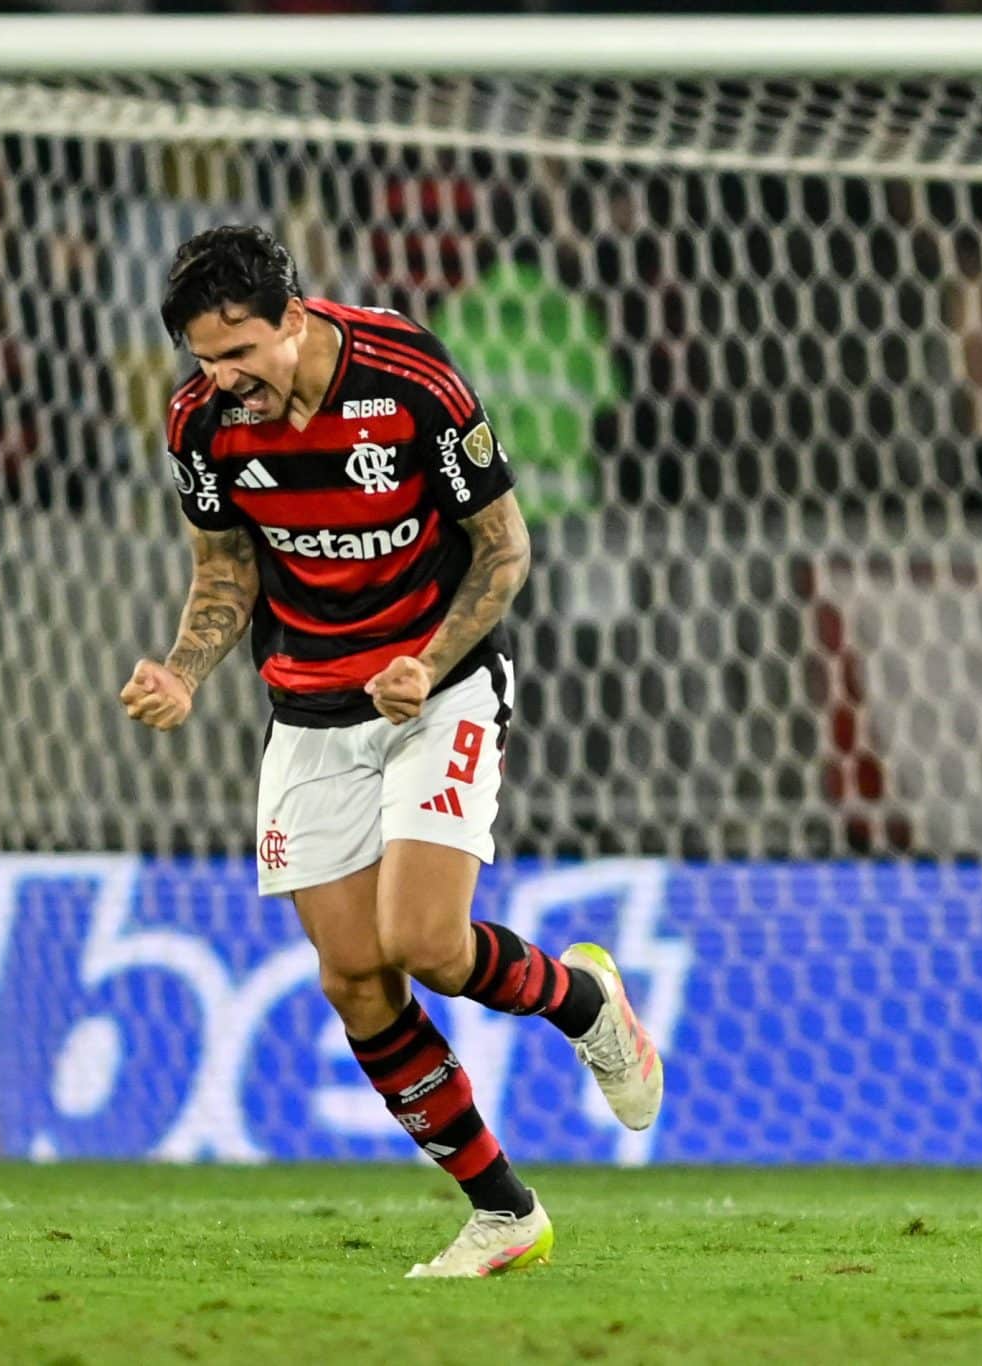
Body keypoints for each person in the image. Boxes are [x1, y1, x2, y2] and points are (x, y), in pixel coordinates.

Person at [119, 226, 663, 1278]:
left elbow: (504, 548)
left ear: (292, 316)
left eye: (239, 353)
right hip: (308, 707)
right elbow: (224, 569)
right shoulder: (200, 422)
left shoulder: (408, 376)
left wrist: (427, 660)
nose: (222, 379)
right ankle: (504, 1215)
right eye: (204, 360)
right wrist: (184, 672)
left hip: (436, 690)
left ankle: (587, 1005)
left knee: (426, 943)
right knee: (354, 979)